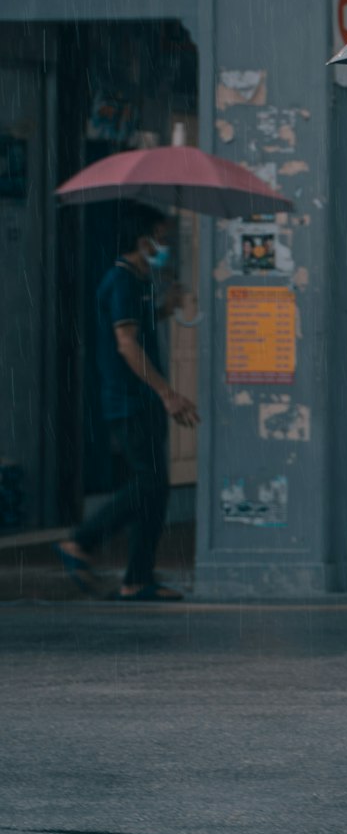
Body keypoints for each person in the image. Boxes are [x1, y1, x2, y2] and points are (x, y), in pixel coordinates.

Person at [55, 202, 199, 601]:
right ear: (143, 240)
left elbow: (139, 329)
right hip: (130, 399)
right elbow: (126, 344)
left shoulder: (140, 281)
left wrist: (166, 308)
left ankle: (138, 578)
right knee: (150, 483)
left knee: (155, 489)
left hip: (142, 399)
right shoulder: (121, 281)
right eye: (163, 238)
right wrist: (167, 392)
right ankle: (82, 541)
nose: (166, 245)